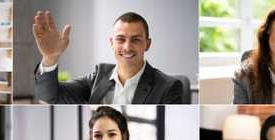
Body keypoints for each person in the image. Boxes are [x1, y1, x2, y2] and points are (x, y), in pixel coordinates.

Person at [32, 11, 185, 104]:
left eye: (136, 39)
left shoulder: (168, 87)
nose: (127, 47)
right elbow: (49, 97)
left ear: (147, 44)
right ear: (111, 42)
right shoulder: (97, 77)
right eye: (120, 39)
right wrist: (50, 57)